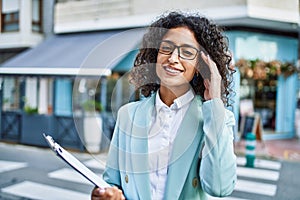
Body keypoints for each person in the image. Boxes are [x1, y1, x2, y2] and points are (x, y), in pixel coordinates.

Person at [91, 11, 237, 200]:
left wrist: (214, 103)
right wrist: (106, 194)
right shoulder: (128, 115)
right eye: (166, 48)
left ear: (200, 65)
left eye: (187, 52)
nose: (173, 58)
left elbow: (220, 187)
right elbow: (112, 181)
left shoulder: (216, 118)